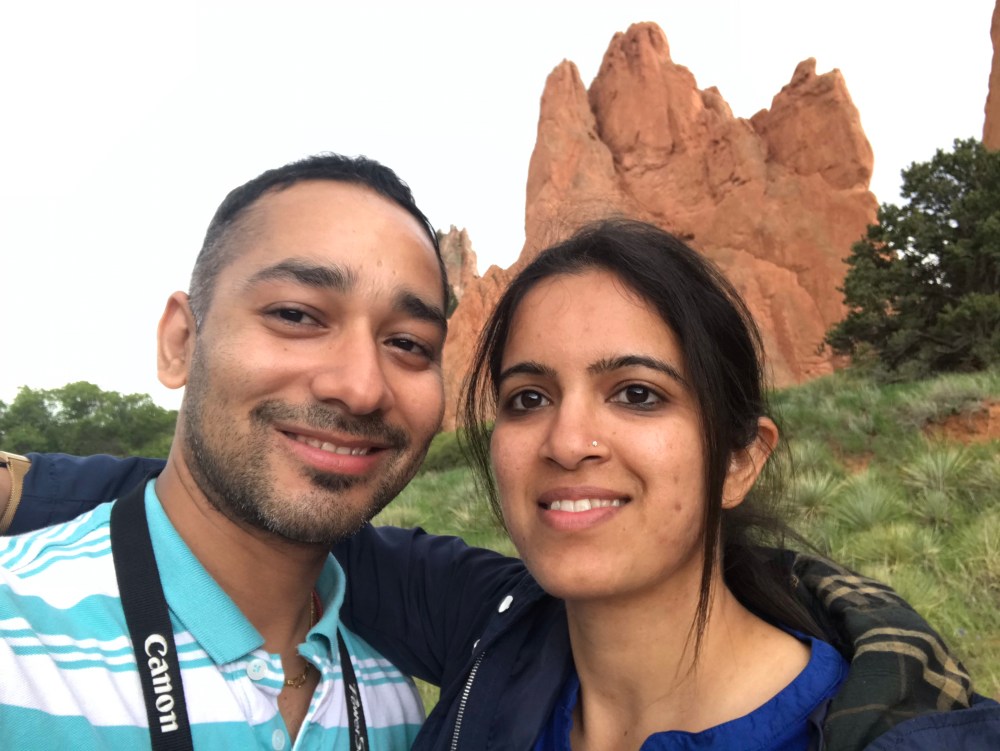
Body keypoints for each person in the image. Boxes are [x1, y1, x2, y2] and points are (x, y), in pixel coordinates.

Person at [4, 221, 999, 749]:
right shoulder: (495, 629)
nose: (568, 440)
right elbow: (246, 498)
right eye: (528, 398)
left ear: (741, 456)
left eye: (637, 393)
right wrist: (26, 484)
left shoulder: (898, 728)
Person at [0, 153, 452, 749]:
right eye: (296, 315)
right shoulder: (16, 640)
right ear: (181, 342)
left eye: (409, 344)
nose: (362, 387)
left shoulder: (391, 695)